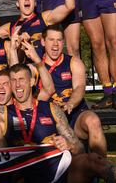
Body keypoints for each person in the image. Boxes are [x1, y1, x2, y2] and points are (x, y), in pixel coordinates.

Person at [0, 62, 116, 183]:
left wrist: (68, 143)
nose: (17, 85)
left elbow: (79, 148)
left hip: (53, 169)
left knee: (95, 160)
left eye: (21, 79)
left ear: (32, 81)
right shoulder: (1, 112)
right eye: (13, 81)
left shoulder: (51, 109)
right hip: (22, 173)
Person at [37, 25, 107, 156]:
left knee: (93, 121)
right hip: (49, 118)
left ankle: (102, 167)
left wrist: (71, 103)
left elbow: (79, 88)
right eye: (51, 39)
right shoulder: (36, 66)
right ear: (43, 41)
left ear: (63, 42)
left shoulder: (73, 62)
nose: (55, 44)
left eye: (59, 40)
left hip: (74, 114)